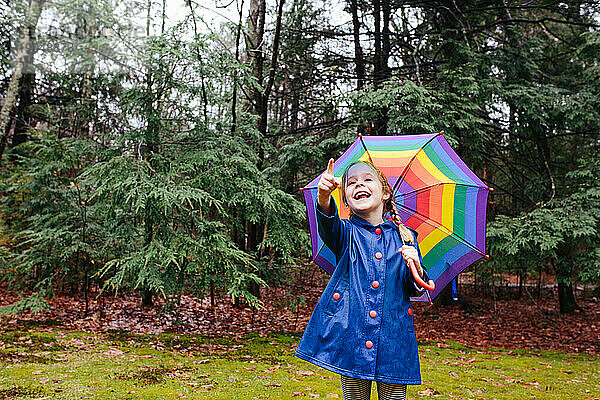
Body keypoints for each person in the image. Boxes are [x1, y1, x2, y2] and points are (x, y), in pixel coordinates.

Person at [295, 158, 430, 400]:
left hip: (394, 338)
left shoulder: (406, 237)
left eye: (368, 180)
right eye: (352, 183)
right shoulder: (346, 233)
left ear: (385, 193)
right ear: (346, 199)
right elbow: (328, 225)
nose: (359, 185)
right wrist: (324, 197)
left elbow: (415, 287)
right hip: (353, 335)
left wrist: (416, 265)